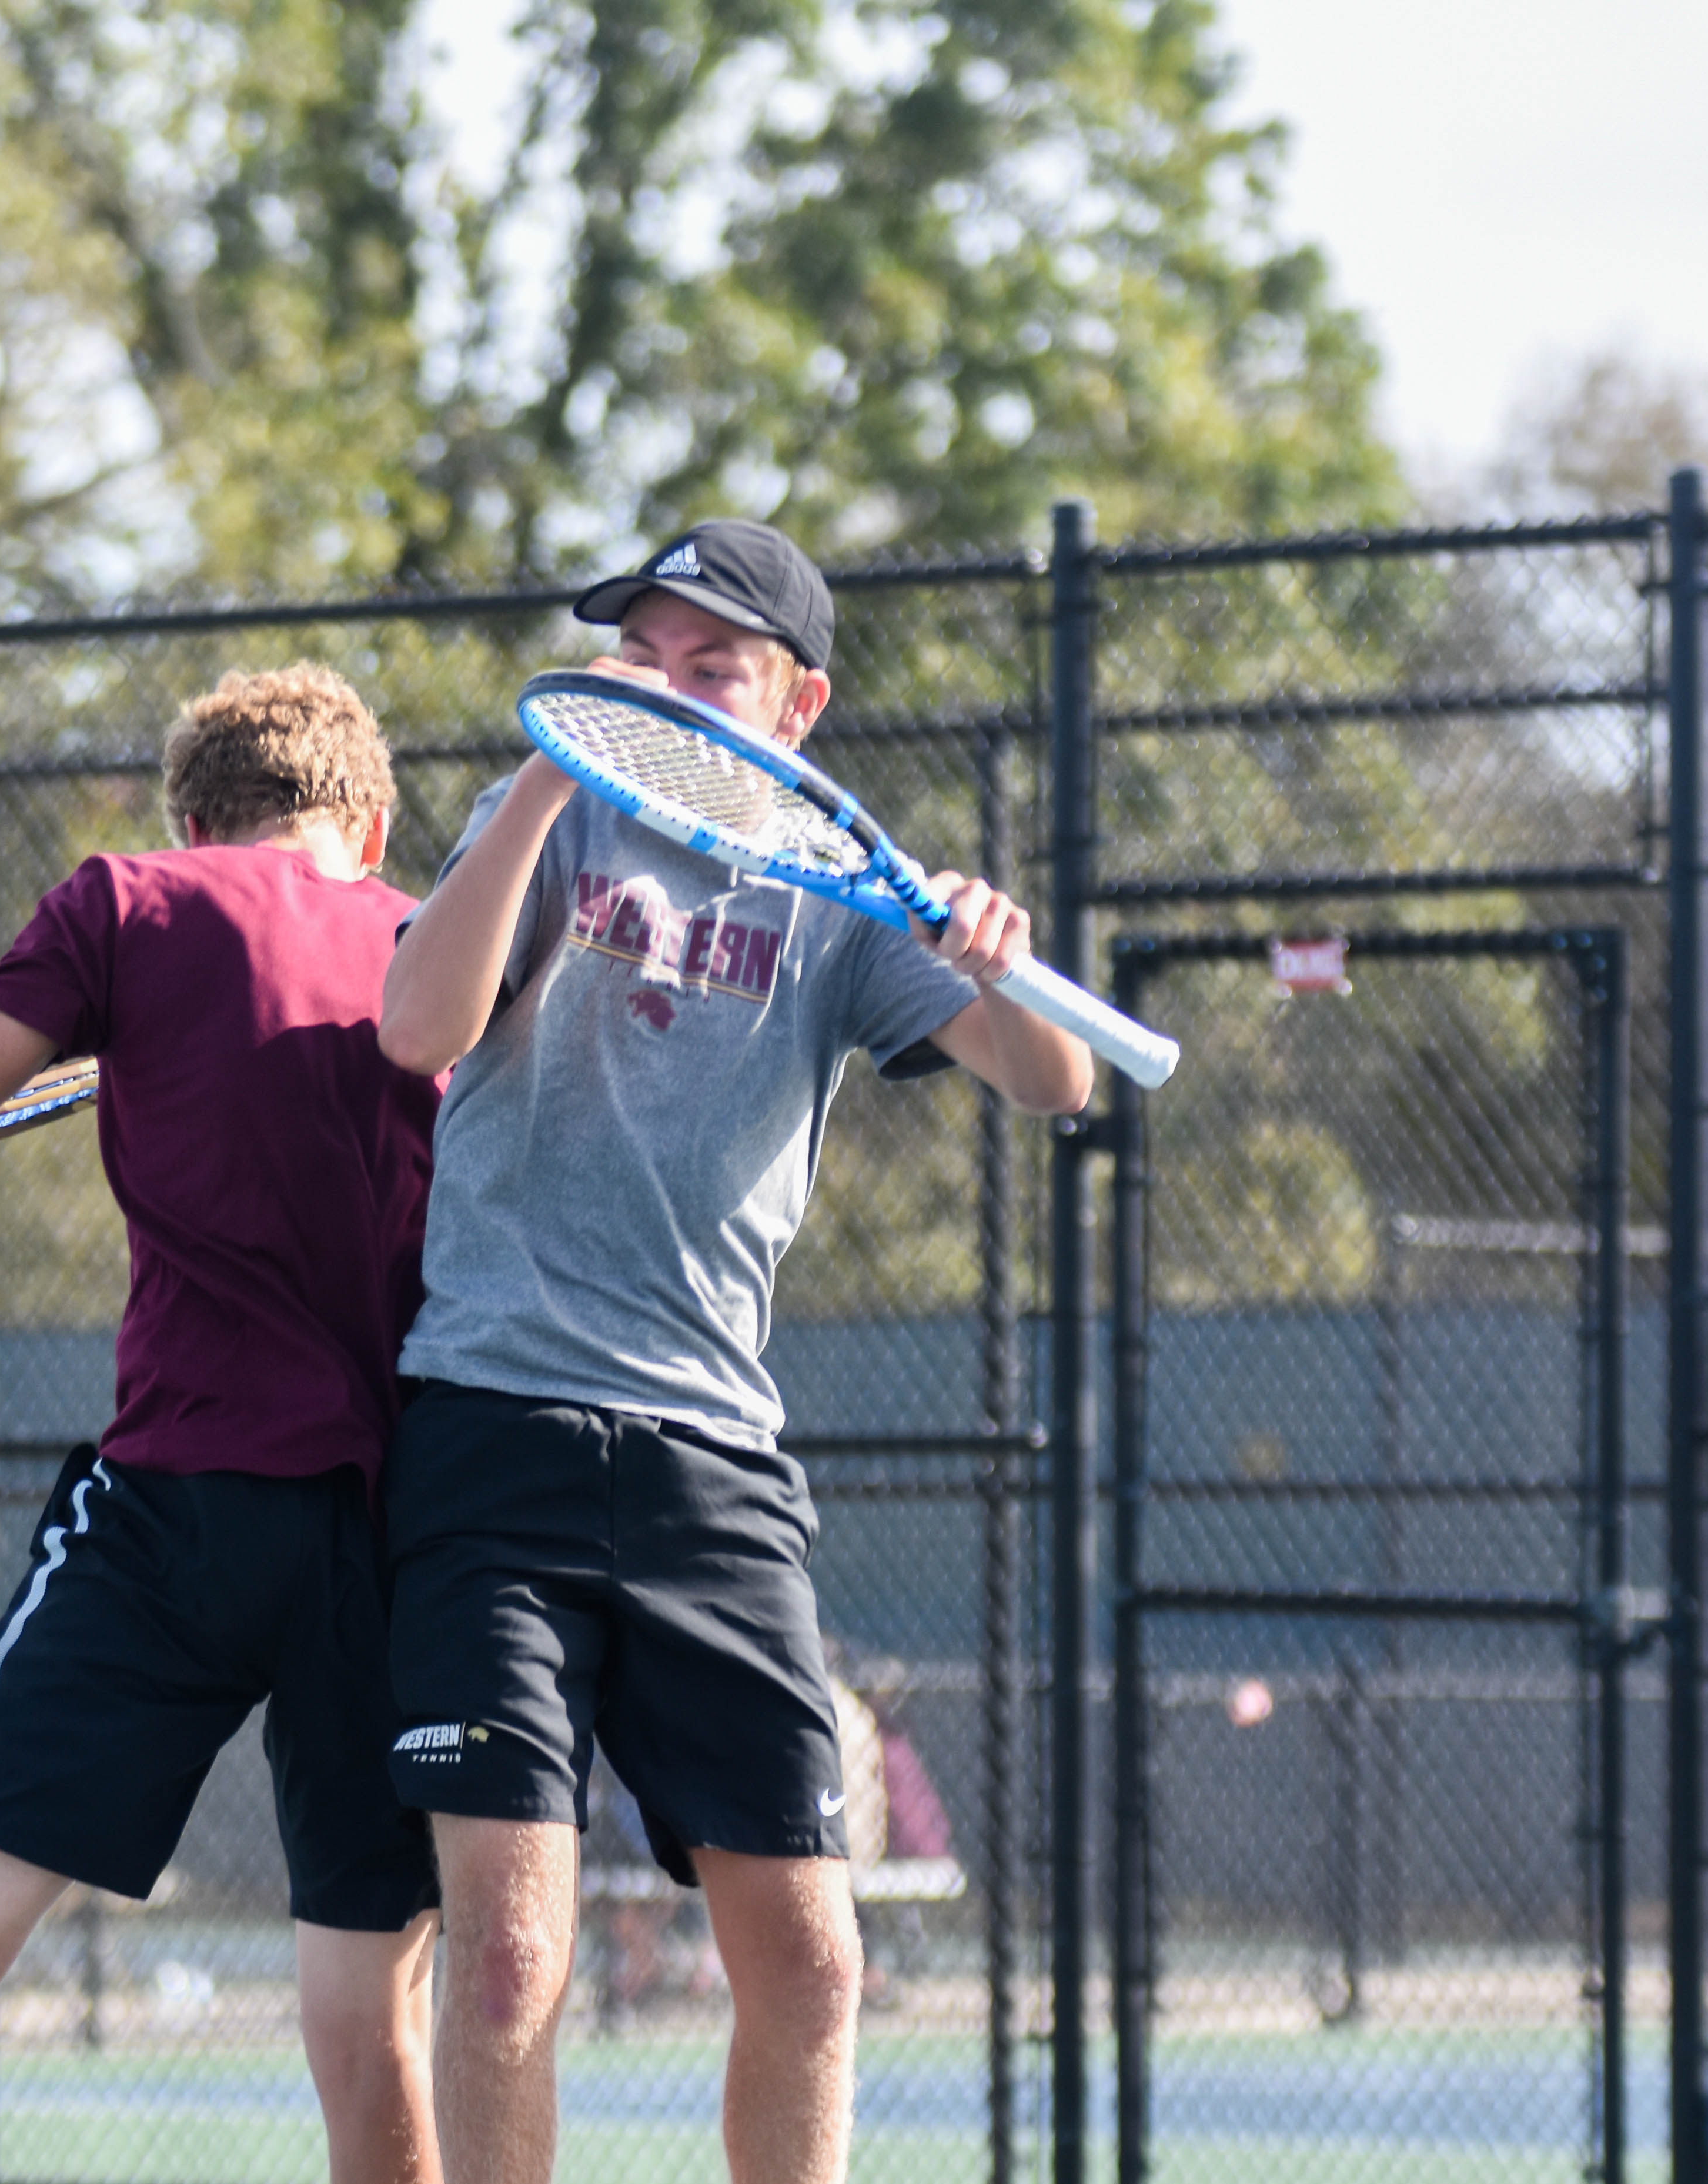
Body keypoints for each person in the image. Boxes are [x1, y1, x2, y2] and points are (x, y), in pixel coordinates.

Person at [376, 517, 1092, 2184]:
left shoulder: (843, 891)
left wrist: (994, 956)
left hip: (713, 1466)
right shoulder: (543, 820)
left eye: (716, 668)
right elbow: (417, 1029)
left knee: (816, 1958)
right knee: (503, 1954)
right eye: (650, 656)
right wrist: (551, 780)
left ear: (798, 705)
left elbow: (1053, 1083)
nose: (672, 689)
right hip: (496, 1432)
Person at [0, 663, 447, 2184]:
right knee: (368, 2015)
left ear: (191, 819)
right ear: (369, 824)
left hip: (173, 1514)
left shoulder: (130, 901)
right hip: (392, 1526)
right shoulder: (436, 942)